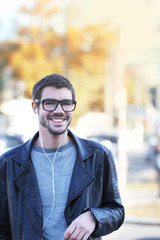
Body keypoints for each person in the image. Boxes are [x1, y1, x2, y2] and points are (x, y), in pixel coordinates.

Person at [0, 73, 124, 240]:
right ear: (35, 107)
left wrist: (94, 217)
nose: (59, 110)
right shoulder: (10, 162)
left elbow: (117, 211)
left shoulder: (98, 156)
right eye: (50, 103)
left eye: (66, 103)